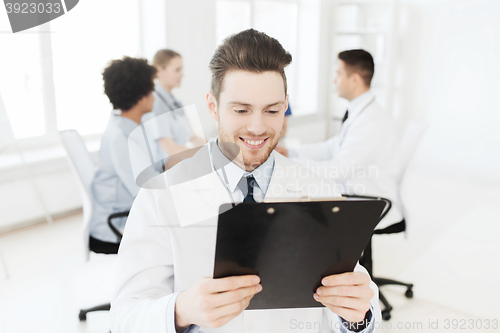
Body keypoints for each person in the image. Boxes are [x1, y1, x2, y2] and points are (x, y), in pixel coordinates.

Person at [110, 30, 381, 333]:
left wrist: (356, 316)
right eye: (241, 110)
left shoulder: (319, 191)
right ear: (213, 106)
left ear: (285, 105)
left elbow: (358, 297)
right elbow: (124, 316)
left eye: (272, 110)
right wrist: (180, 310)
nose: (257, 127)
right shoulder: (160, 196)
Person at [276, 49, 402, 229]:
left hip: (370, 200)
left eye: (338, 74)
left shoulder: (370, 122)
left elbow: (337, 171)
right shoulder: (360, 111)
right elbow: (332, 147)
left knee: (298, 206)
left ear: (355, 80)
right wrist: (291, 152)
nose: (335, 80)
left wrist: (292, 164)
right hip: (356, 191)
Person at [89, 57, 158, 250]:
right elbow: (145, 192)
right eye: (152, 89)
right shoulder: (123, 136)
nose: (154, 95)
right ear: (141, 96)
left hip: (127, 215)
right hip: (114, 228)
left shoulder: (127, 125)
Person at [142, 49, 206, 169]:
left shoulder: (176, 103)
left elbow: (191, 136)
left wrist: (215, 147)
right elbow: (169, 148)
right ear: (159, 71)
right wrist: (207, 155)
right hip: (164, 171)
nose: (182, 74)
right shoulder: (154, 103)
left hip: (178, 166)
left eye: (182, 69)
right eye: (177, 70)